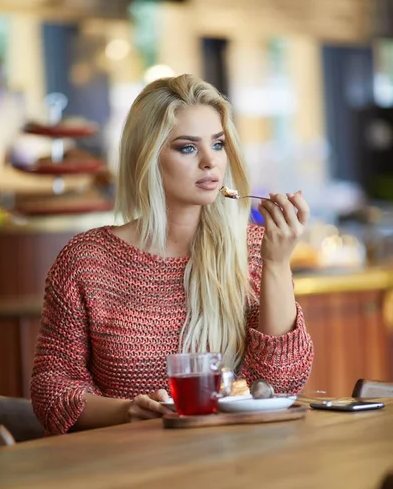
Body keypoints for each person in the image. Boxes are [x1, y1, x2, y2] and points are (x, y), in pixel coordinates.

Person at [31, 74, 314, 435]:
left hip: (239, 459)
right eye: (187, 147)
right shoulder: (86, 261)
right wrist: (125, 411)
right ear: (147, 155)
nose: (210, 162)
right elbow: (51, 388)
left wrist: (276, 263)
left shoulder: (257, 251)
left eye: (218, 144)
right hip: (126, 467)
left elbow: (280, 383)